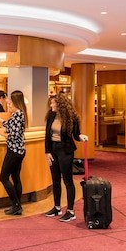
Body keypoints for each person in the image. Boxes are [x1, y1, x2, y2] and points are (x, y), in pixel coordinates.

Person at [44, 93, 88, 222]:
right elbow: (47, 135)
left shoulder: (71, 117)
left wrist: (81, 136)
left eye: (53, 103)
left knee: (68, 181)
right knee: (55, 180)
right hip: (53, 150)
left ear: (60, 104)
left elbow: (76, 134)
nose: (51, 105)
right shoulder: (51, 116)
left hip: (65, 151)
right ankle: (57, 207)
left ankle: (70, 211)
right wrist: (47, 152)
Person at [0, 90, 27, 215]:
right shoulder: (18, 114)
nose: (9, 104)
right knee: (15, 177)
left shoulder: (18, 115)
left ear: (15, 102)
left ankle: (16, 204)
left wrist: (0, 133)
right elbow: (9, 125)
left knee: (3, 177)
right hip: (19, 150)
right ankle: (17, 205)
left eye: (10, 102)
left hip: (14, 151)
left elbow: (13, 135)